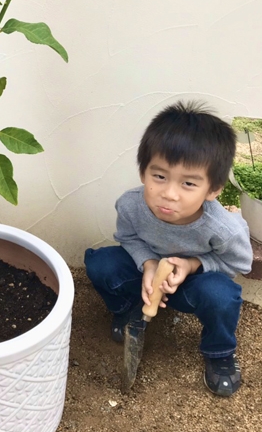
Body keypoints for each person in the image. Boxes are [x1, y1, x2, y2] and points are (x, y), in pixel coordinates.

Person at [84, 101, 253, 397]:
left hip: (193, 286)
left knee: (221, 296)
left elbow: (241, 263)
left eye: (188, 183)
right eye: (159, 176)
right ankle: (128, 311)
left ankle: (219, 353)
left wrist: (192, 265)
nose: (169, 194)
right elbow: (129, 238)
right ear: (143, 171)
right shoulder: (130, 205)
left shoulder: (224, 228)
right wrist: (148, 264)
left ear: (213, 190)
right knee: (101, 263)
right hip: (146, 279)